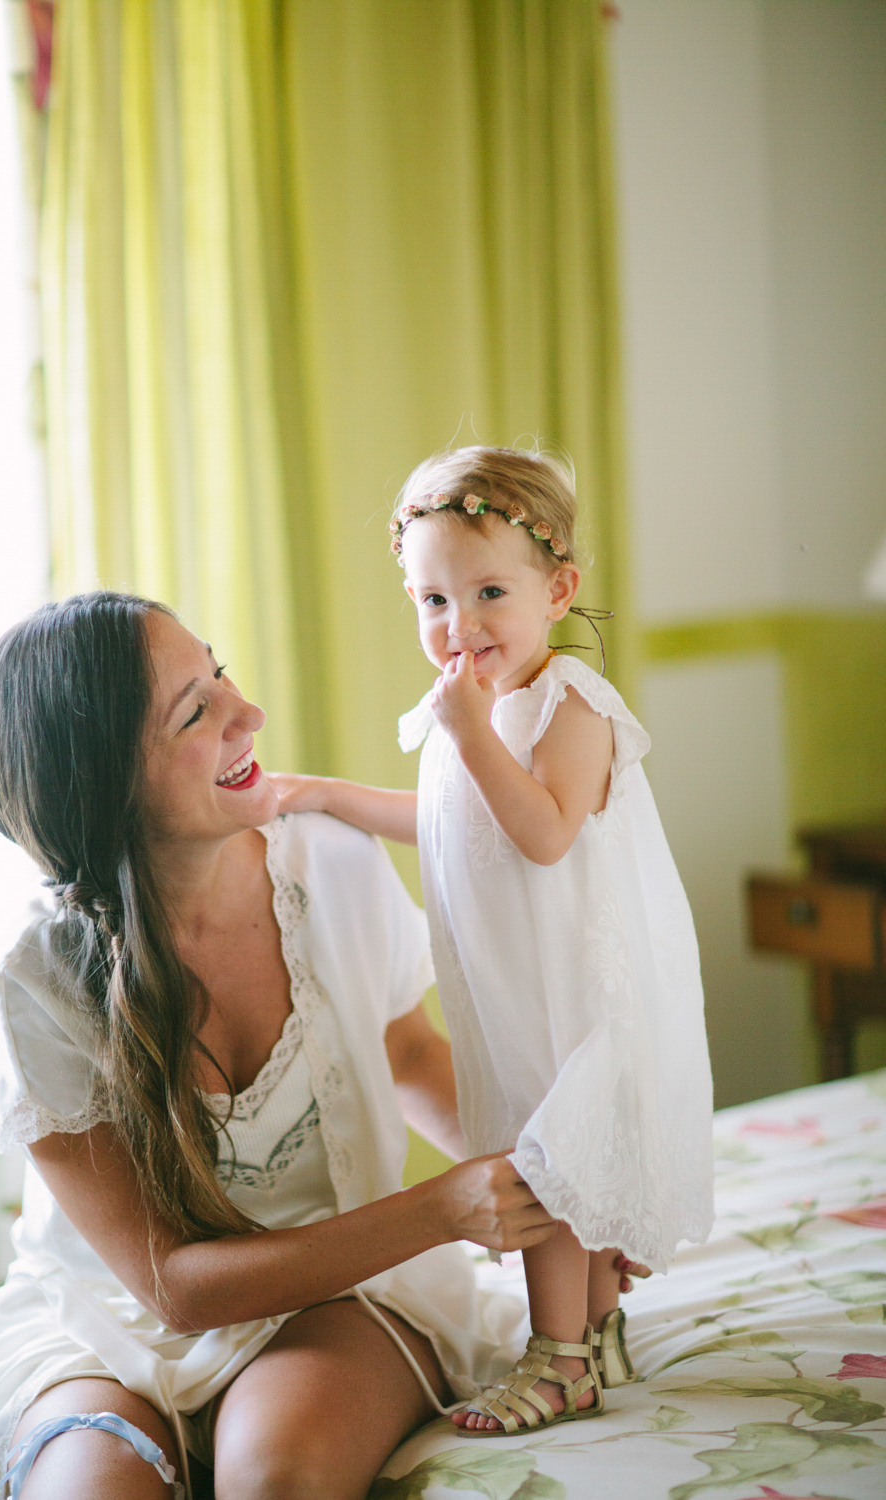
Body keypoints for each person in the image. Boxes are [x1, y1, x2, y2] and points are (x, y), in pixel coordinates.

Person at [0, 591, 648, 1500]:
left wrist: (564, 1191)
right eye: (196, 710)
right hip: (102, 1322)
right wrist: (446, 1209)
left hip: (339, 1291)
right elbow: (172, 1288)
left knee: (278, 1478)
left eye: (219, 672)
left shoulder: (332, 865)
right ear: (104, 781)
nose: (249, 714)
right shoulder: (28, 981)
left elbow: (411, 1056)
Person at [270, 446, 714, 1437]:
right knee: (554, 1149)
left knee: (549, 1152)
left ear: (556, 591)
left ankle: (554, 1357)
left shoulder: (571, 706)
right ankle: (596, 1333)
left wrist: (467, 732)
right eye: (431, 600)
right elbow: (446, 817)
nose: (457, 627)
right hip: (511, 981)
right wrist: (325, 794)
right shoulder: (477, 711)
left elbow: (543, 830)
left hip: (572, 984)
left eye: (487, 592)